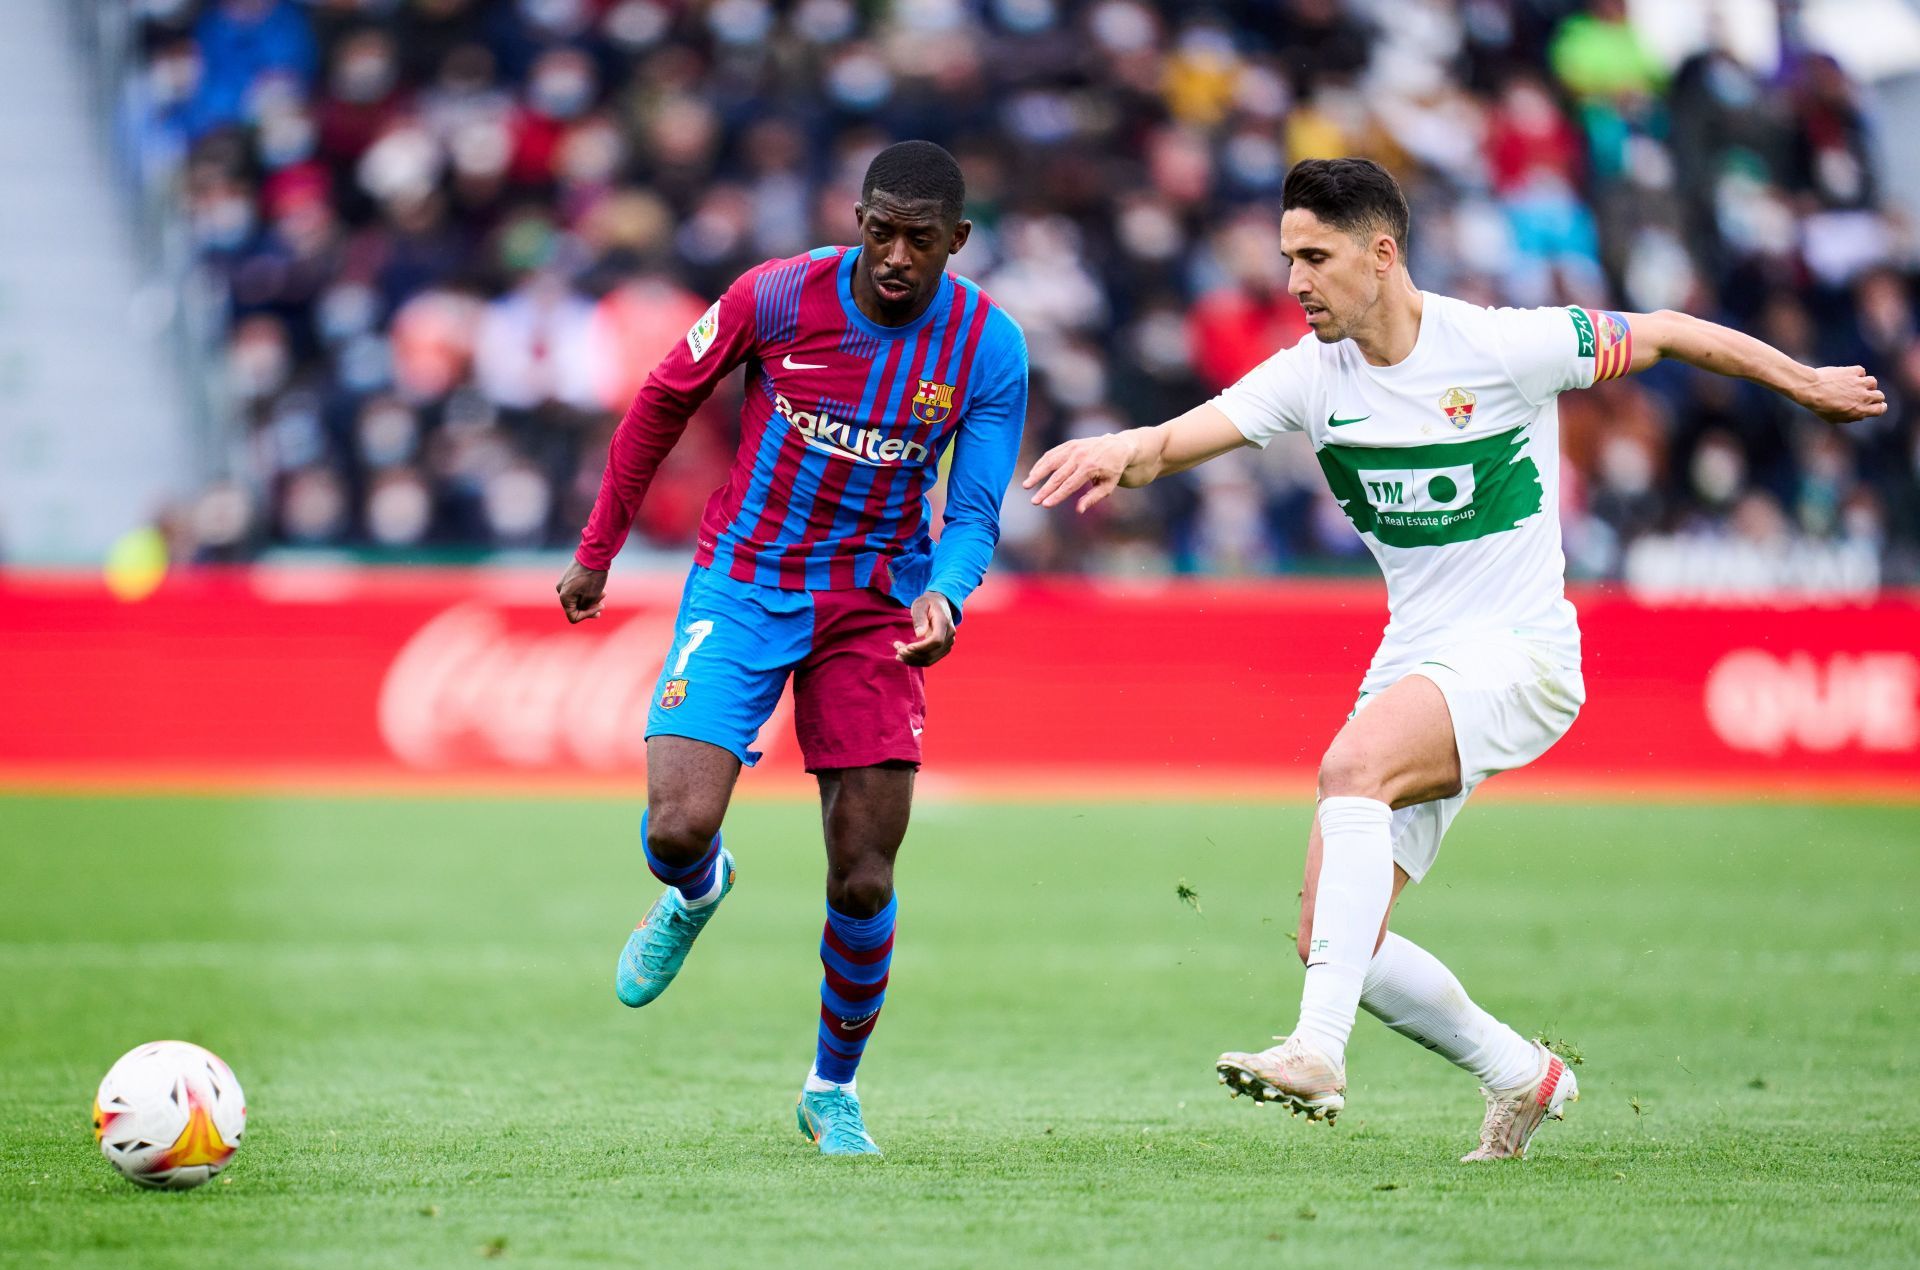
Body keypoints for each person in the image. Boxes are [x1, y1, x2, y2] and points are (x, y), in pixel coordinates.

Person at [1025, 157, 1884, 1162]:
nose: (1295, 281)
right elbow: (1174, 444)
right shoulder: (1311, 376)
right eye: (1287, 257)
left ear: (1381, 255)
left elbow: (1666, 330)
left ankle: (1317, 1049)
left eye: (1315, 257)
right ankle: (1521, 1073)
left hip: (1522, 656)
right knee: (1333, 944)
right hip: (1418, 661)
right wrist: (1115, 447)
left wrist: (1807, 383)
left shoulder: (1503, 345)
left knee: (1350, 769)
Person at [555, 140, 1028, 1157]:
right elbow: (659, 402)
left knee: (863, 873)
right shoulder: (775, 297)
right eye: (880, 229)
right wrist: (599, 552)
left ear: (958, 241)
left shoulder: (989, 348)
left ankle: (831, 1087)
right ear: (856, 219)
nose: (897, 254)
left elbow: (977, 506)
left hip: (875, 608)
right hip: (747, 577)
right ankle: (697, 890)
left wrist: (946, 595)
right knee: (678, 826)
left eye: (920, 237)